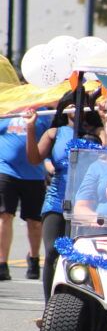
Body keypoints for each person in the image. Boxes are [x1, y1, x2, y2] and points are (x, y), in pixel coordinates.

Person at [24, 102, 103, 305]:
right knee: (52, 251)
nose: (76, 108)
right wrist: (30, 127)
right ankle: (50, 305)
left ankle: (80, 304)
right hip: (57, 200)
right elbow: (33, 159)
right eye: (70, 104)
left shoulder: (97, 131)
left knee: (81, 254)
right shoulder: (54, 132)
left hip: (87, 203)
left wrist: (103, 118)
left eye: (81, 104)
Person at [0, 108, 50, 281]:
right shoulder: (8, 109)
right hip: (6, 170)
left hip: (33, 174)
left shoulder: (44, 114)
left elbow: (50, 141)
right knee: (5, 215)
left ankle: (34, 258)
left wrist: (50, 164)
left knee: (35, 222)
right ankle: (2, 263)